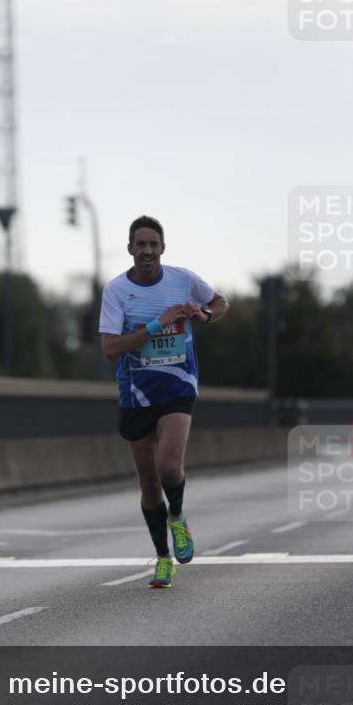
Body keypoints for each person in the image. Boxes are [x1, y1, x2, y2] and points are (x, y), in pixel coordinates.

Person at [99, 215, 230, 587]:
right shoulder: (117, 291)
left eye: (153, 244)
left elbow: (221, 303)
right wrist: (156, 325)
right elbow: (110, 347)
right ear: (130, 250)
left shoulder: (183, 279)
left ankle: (179, 517)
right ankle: (162, 559)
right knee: (148, 484)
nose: (147, 251)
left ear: (163, 248)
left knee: (169, 468)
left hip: (178, 387)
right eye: (140, 244)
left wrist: (203, 314)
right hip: (137, 393)